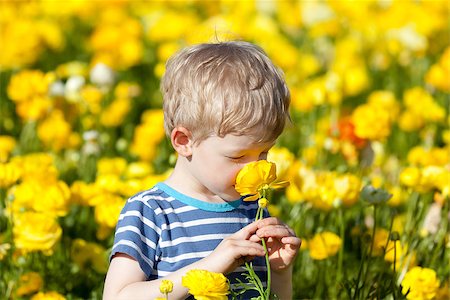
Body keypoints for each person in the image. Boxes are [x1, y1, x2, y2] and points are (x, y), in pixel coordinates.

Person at [103, 41, 301, 299]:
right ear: (184, 141)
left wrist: (280, 273)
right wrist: (211, 266)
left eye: (264, 152)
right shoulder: (151, 211)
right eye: (238, 156)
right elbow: (117, 296)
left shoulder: (253, 209)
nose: (256, 168)